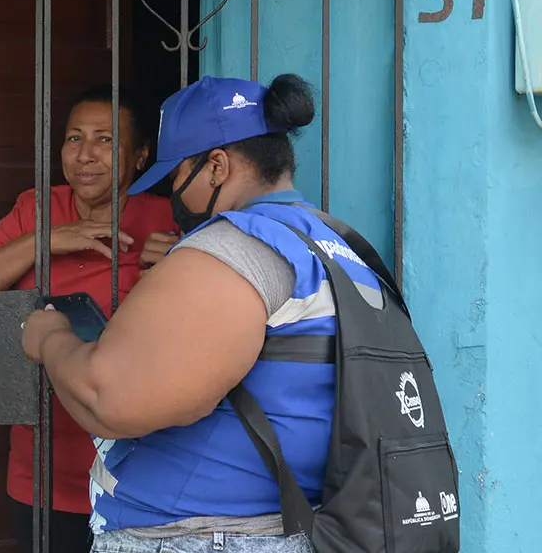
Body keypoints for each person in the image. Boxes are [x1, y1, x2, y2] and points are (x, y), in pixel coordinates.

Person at [21, 74, 384, 552]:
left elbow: (108, 401)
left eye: (176, 175)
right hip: (289, 524)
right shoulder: (335, 243)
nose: (174, 194)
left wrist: (49, 338)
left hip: (204, 536)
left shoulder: (234, 246)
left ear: (216, 167)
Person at [0, 84, 178, 552]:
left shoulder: (168, 219)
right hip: (41, 468)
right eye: (74, 138)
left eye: (106, 140)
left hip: (140, 472)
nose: (86, 155)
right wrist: (44, 240)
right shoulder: (36, 209)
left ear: (141, 156)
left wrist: (181, 260)